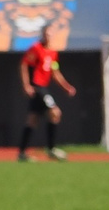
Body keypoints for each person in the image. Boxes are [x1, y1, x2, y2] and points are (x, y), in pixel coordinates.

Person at [18, 32, 73, 162]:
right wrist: (26, 85)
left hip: (43, 87)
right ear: (42, 35)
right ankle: (51, 149)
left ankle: (22, 153)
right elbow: (24, 64)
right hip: (37, 87)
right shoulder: (36, 48)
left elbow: (55, 72)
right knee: (55, 112)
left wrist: (66, 87)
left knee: (32, 120)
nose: (48, 37)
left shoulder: (53, 53)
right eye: (46, 34)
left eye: (50, 34)